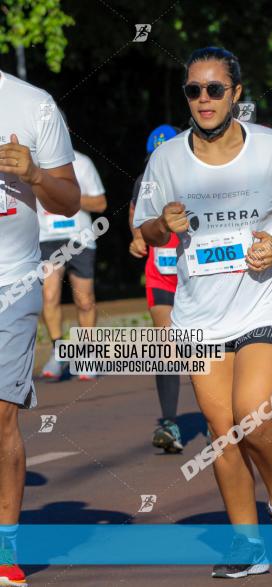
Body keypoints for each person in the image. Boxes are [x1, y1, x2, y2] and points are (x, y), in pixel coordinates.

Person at [133, 47, 272, 578]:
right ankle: (246, 544)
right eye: (194, 90)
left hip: (266, 298)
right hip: (200, 311)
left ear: (236, 93)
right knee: (222, 429)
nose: (204, 99)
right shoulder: (166, 159)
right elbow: (143, 231)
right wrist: (160, 225)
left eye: (215, 89)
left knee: (252, 411)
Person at [0, 69, 81, 587]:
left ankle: (6, 548)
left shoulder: (33, 105)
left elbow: (69, 201)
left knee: (0, 417)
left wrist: (33, 175)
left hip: (10, 281)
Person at [38, 116, 107, 381]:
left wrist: (66, 196)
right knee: (50, 294)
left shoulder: (82, 163)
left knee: (84, 300)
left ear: (67, 131)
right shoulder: (34, 167)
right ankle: (59, 350)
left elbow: (100, 204)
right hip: (47, 237)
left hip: (80, 238)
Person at [129, 124, 184, 453]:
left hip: (199, 278)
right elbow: (135, 215)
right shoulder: (144, 183)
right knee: (167, 345)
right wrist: (137, 238)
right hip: (161, 276)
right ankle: (169, 423)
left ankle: (219, 418)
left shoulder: (198, 179)